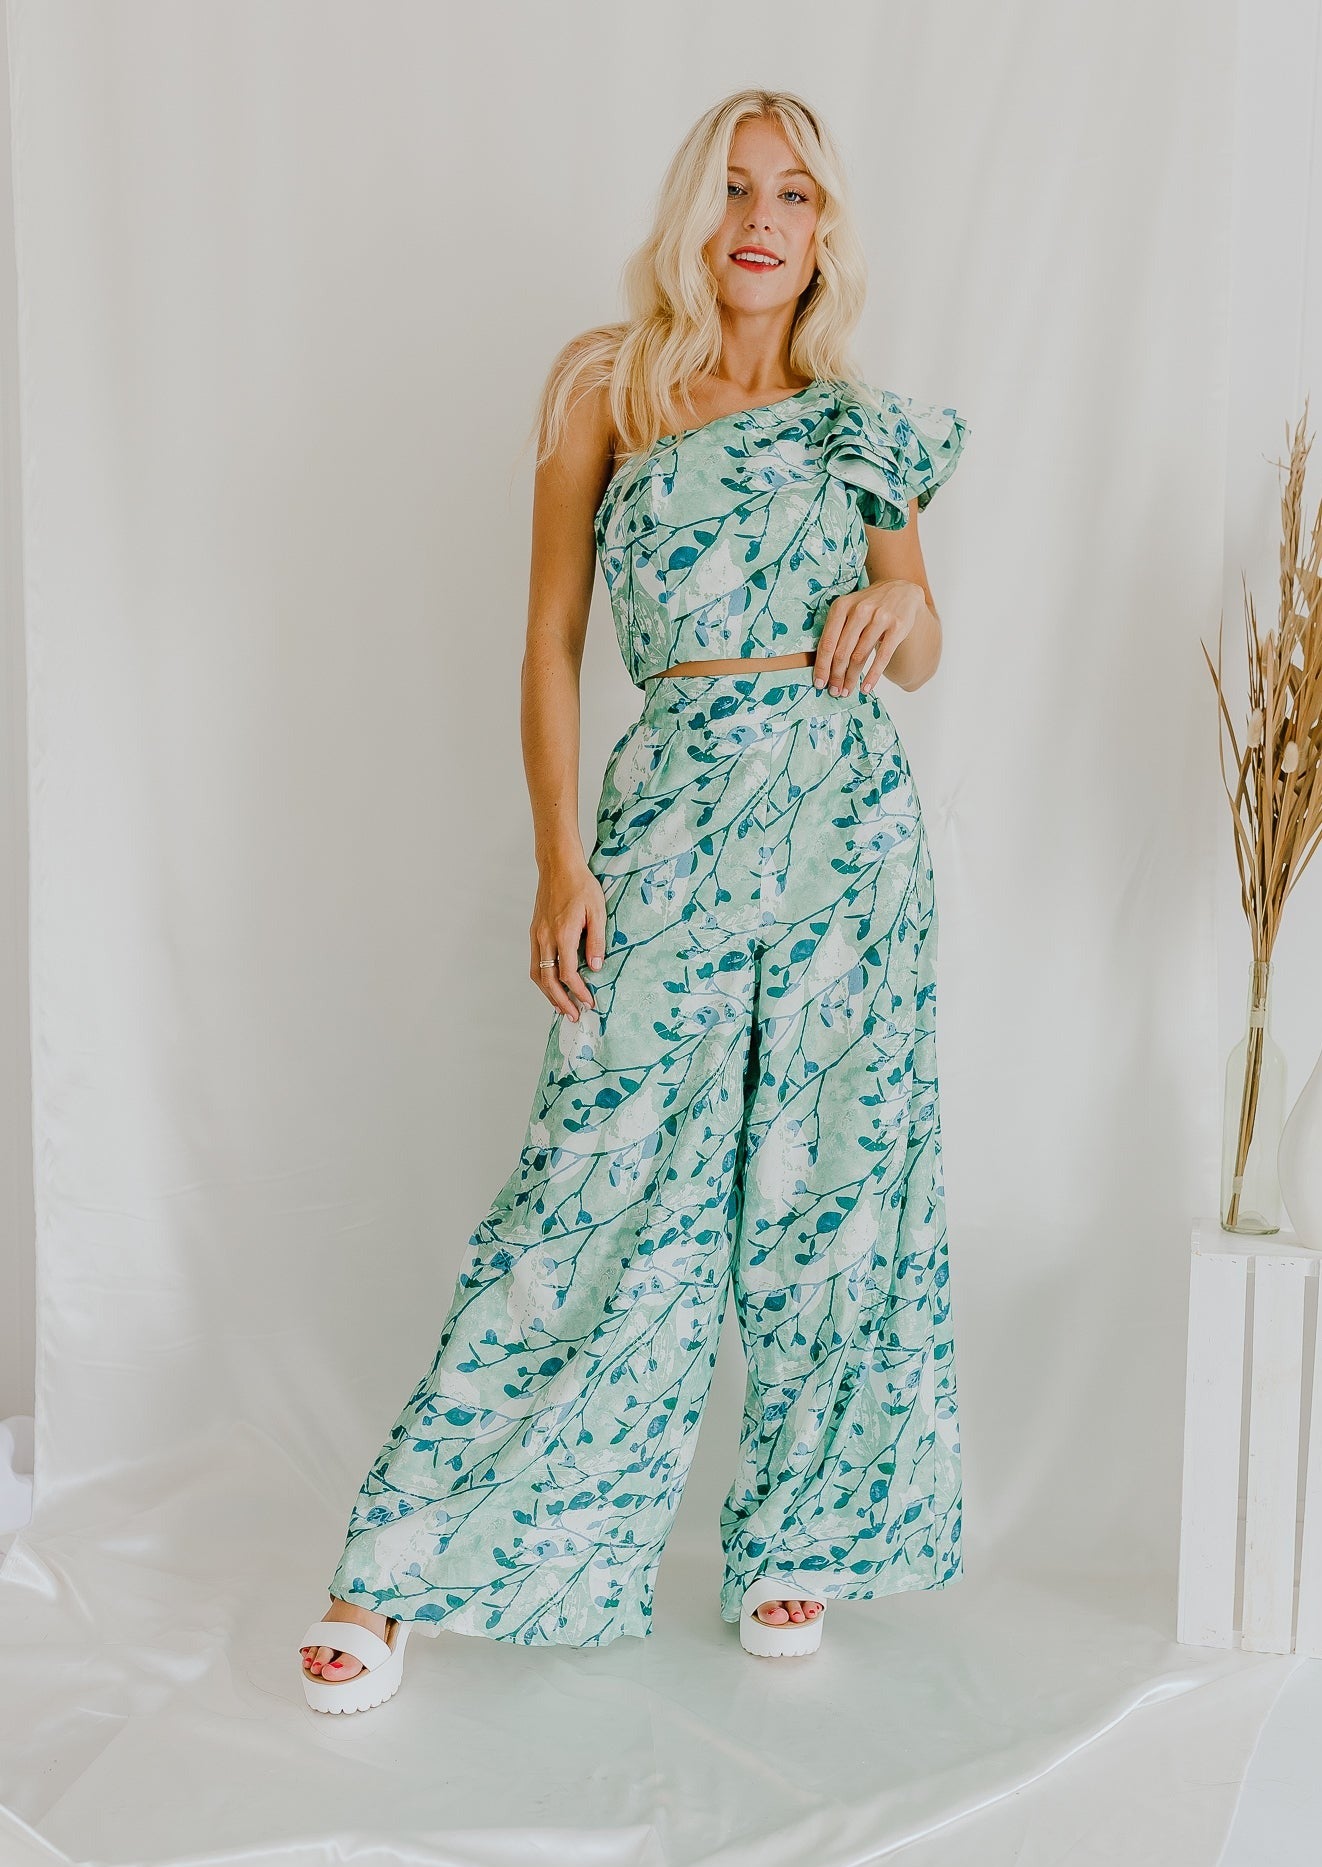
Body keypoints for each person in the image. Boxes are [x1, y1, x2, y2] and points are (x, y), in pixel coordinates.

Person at [299, 84, 969, 1714]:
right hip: (669, 825)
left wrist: (897, 624)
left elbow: (920, 630)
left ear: (825, 231)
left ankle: (801, 1535)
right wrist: (559, 856)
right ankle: (397, 1570)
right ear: (692, 211)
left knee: (833, 1186)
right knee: (592, 1191)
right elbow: (548, 642)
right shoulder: (606, 384)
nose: (761, 220)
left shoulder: (855, 421)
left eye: (794, 195)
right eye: (735, 188)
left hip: (846, 834)